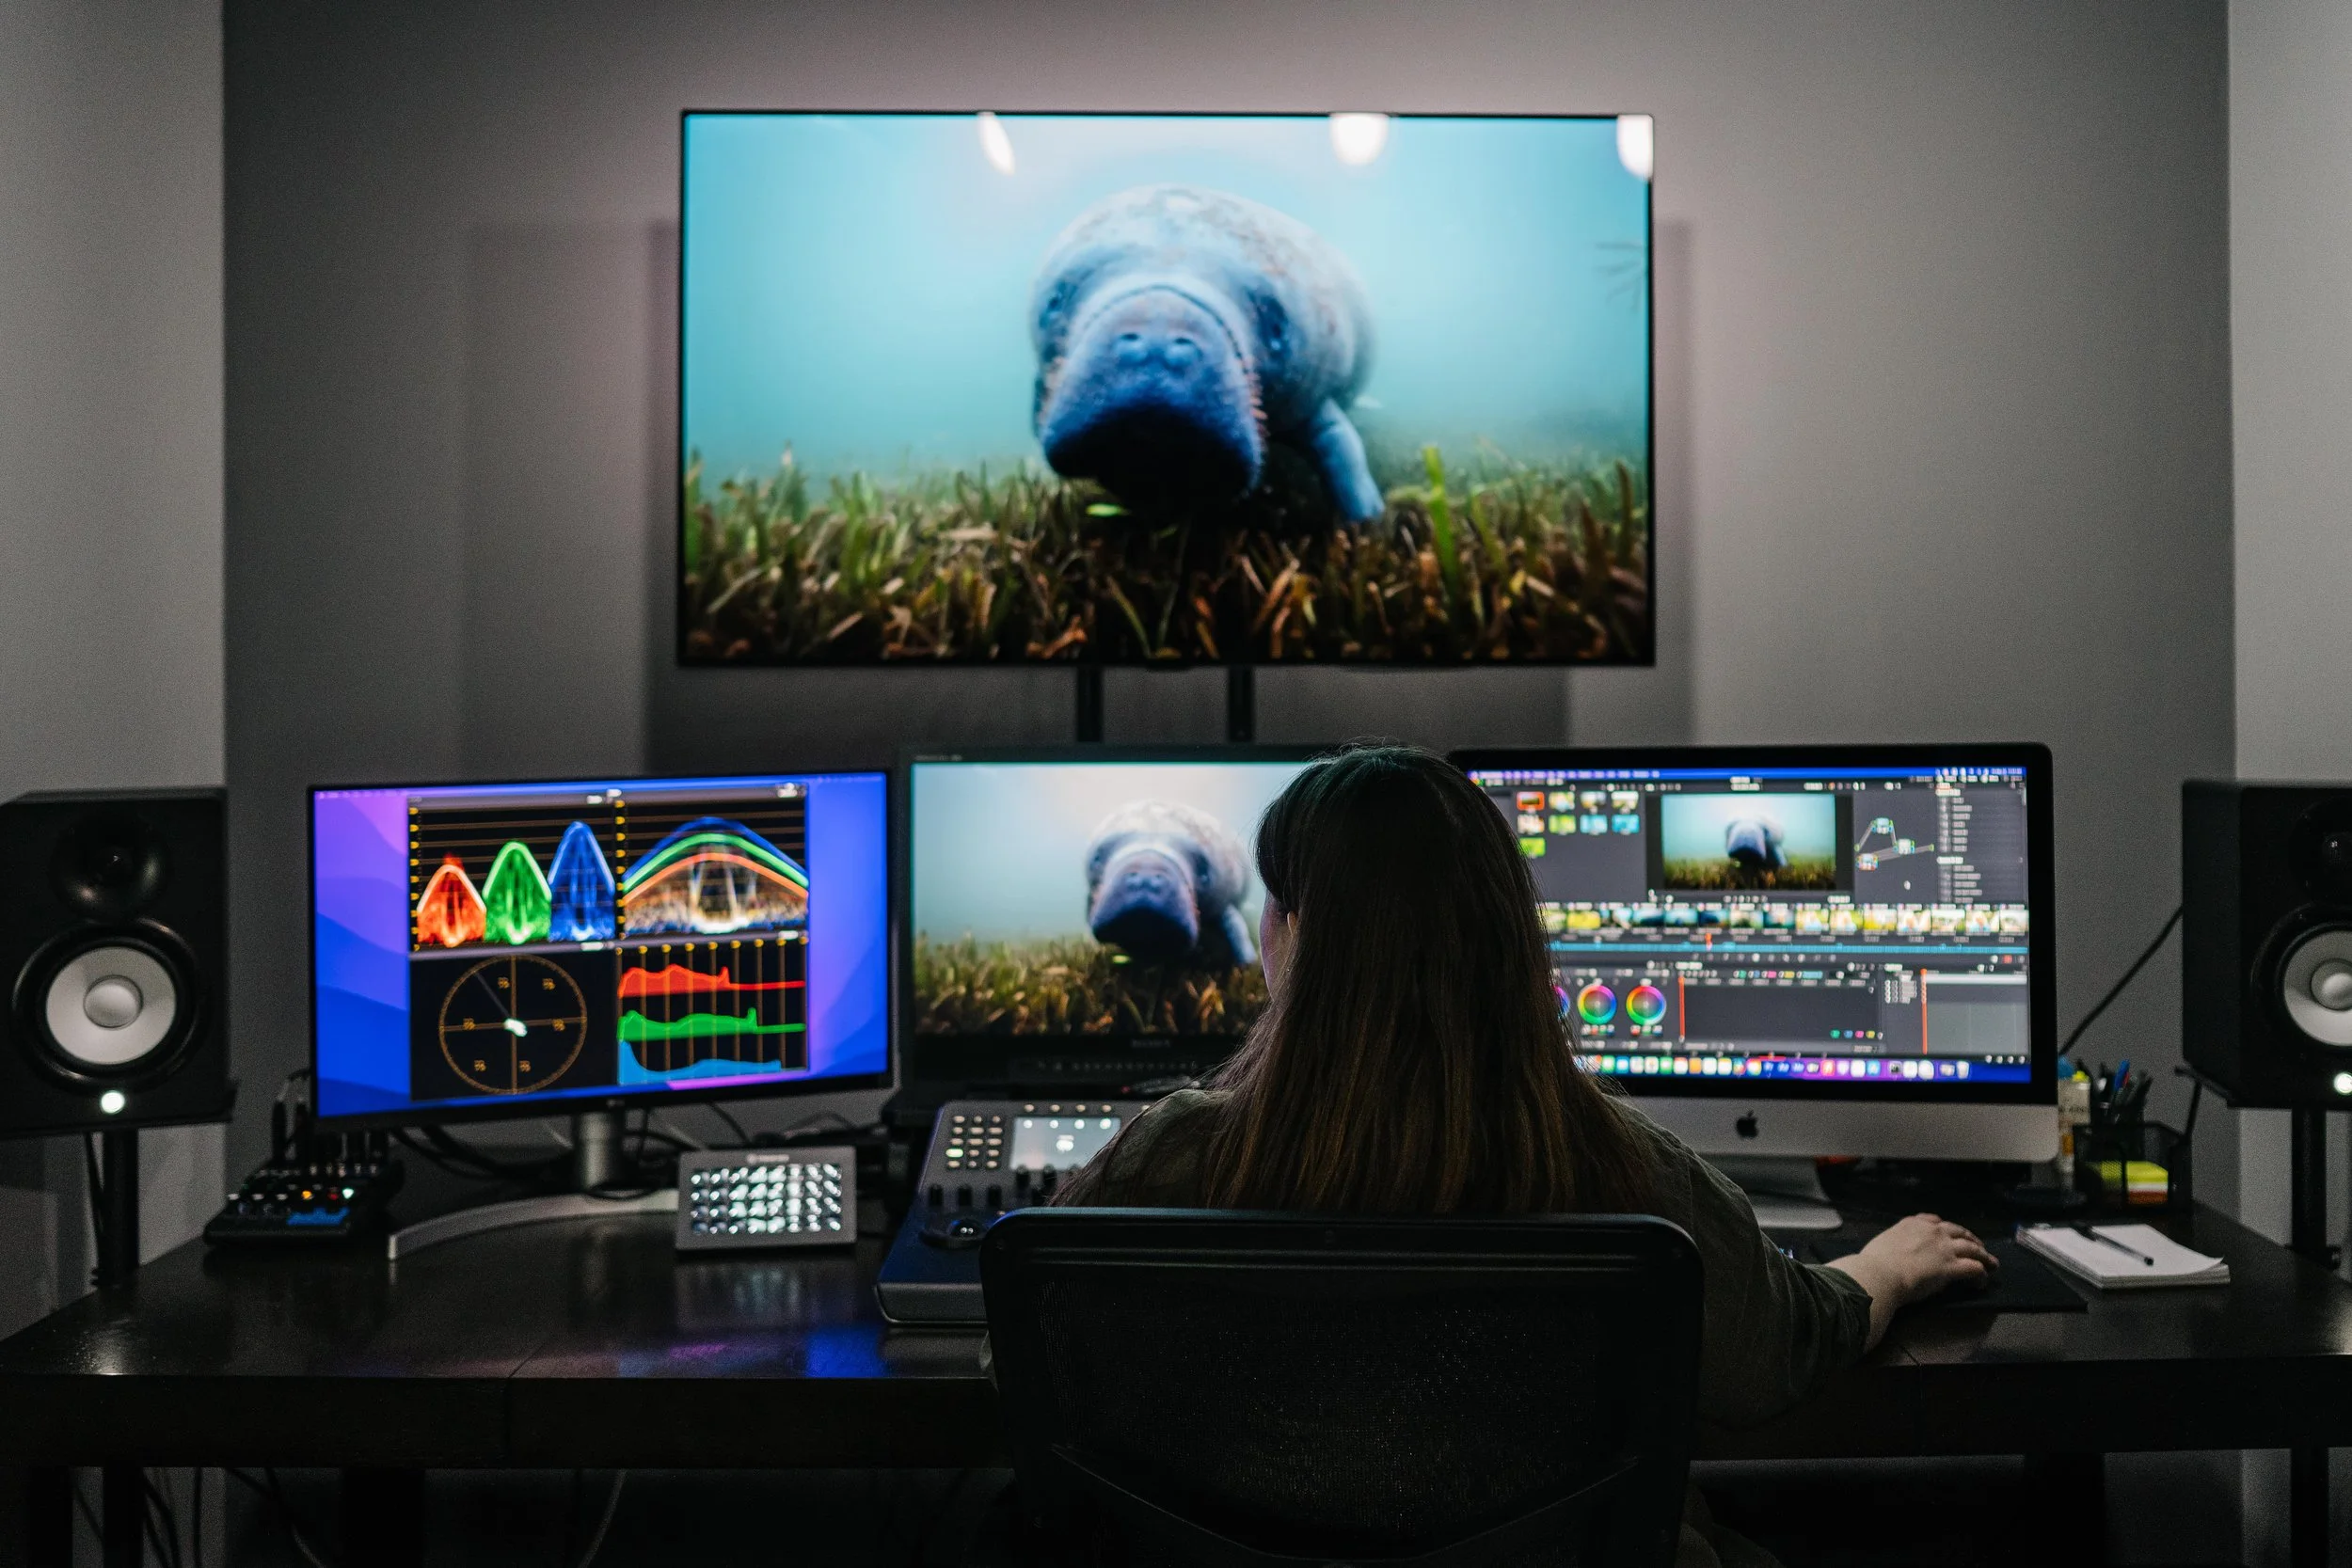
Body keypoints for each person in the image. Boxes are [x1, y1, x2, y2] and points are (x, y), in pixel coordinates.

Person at [1054, 744, 1995, 1568]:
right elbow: (1773, 1358)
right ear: (1506, 942)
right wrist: (1882, 1267)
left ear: (1289, 938)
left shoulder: (1166, 1159)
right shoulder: (1628, 1169)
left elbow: (1029, 1361)